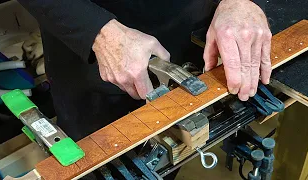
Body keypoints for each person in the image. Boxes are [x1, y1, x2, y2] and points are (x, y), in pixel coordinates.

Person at [17, 0, 271, 177]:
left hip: (196, 33)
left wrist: (241, 1)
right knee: (97, 165)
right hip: (94, 50)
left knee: (171, 155)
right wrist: (98, 32)